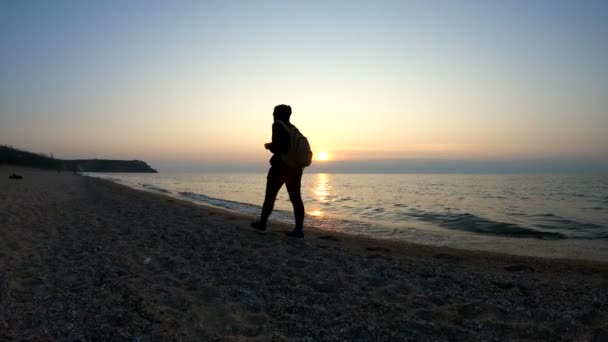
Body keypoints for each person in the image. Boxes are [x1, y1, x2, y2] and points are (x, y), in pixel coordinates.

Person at [251, 104, 305, 238]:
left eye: (274, 112)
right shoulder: (294, 129)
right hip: (296, 168)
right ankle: (298, 230)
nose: (273, 114)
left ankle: (262, 224)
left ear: (277, 114)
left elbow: (281, 147)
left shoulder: (277, 125)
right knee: (296, 198)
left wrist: (270, 146)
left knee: (270, 195)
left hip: (281, 167)